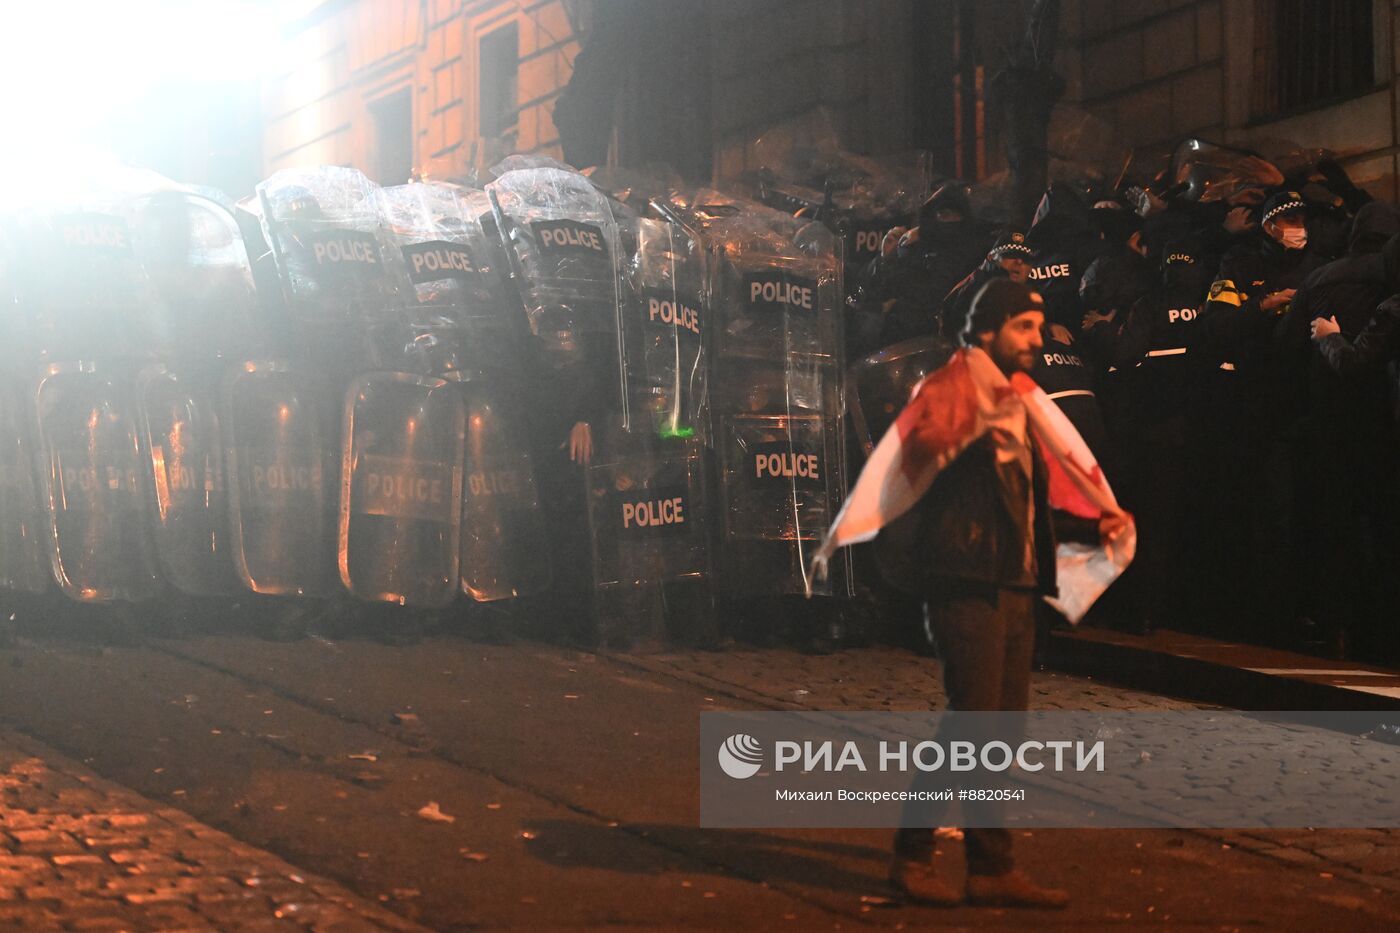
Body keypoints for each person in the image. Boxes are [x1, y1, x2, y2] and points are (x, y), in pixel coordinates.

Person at [817, 279, 1125, 908]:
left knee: (1001, 730)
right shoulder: (956, 389)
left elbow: (1022, 500)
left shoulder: (1021, 402)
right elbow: (914, 468)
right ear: (989, 330)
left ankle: (991, 866)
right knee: (972, 724)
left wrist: (1087, 528)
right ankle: (914, 854)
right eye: (1025, 328)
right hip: (966, 577)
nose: (1038, 341)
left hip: (1012, 579)